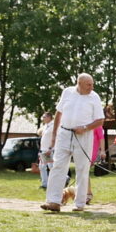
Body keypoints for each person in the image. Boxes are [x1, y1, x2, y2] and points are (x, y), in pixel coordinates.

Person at [41, 74, 105, 212]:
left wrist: (85, 128)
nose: (92, 87)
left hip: (84, 135)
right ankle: (53, 201)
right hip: (64, 134)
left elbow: (100, 120)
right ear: (79, 83)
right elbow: (58, 114)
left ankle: (80, 203)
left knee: (82, 168)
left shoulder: (94, 97)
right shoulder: (67, 92)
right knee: (58, 166)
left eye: (92, 84)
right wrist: (54, 136)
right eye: (89, 84)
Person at [86, 125, 106, 204]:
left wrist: (102, 150)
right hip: (83, 147)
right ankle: (86, 193)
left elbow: (101, 137)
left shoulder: (97, 124)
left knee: (84, 170)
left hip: (92, 149)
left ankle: (88, 194)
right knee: (83, 171)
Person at [37, 112, 54, 189]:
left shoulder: (53, 126)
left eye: (44, 117)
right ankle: (44, 184)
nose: (43, 118)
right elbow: (43, 139)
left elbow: (55, 138)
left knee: (51, 167)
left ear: (49, 117)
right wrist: (40, 150)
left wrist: (50, 149)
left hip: (48, 150)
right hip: (43, 150)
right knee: (42, 167)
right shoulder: (45, 126)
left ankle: (65, 178)